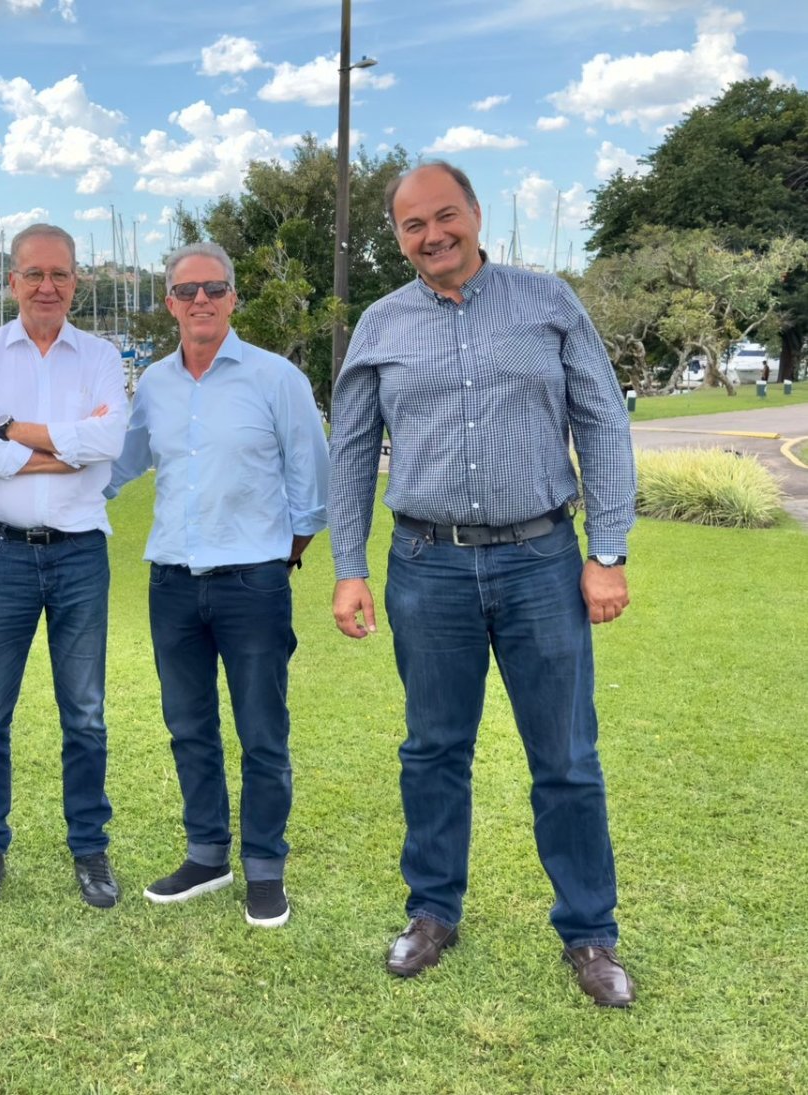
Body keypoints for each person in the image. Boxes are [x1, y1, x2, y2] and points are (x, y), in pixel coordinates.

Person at [328, 161, 638, 1007]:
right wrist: (349, 567)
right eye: (413, 225)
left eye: (445, 216)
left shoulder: (548, 302)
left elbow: (602, 419)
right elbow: (350, 450)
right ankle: (432, 912)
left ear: (473, 212)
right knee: (433, 749)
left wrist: (608, 550)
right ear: (398, 236)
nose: (432, 235)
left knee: (565, 755)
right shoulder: (381, 323)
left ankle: (590, 930)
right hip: (427, 566)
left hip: (541, 561)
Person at [108, 242, 329, 928]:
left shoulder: (276, 378)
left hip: (253, 584)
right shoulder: (154, 384)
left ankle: (264, 868)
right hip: (172, 582)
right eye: (186, 290)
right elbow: (119, 466)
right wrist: (37, 481)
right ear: (169, 303)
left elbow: (311, 482)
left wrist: (278, 558)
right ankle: (207, 855)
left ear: (233, 298)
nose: (200, 299)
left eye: (213, 288)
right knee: (188, 726)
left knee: (263, 731)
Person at [0, 224, 127, 909]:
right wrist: (67, 452)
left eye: (59, 274)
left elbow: (111, 441)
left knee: (85, 714)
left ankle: (89, 847)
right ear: (12, 281)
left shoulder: (101, 356)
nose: (46, 286)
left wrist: (15, 431)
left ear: (76, 281)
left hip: (80, 554)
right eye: (34, 274)